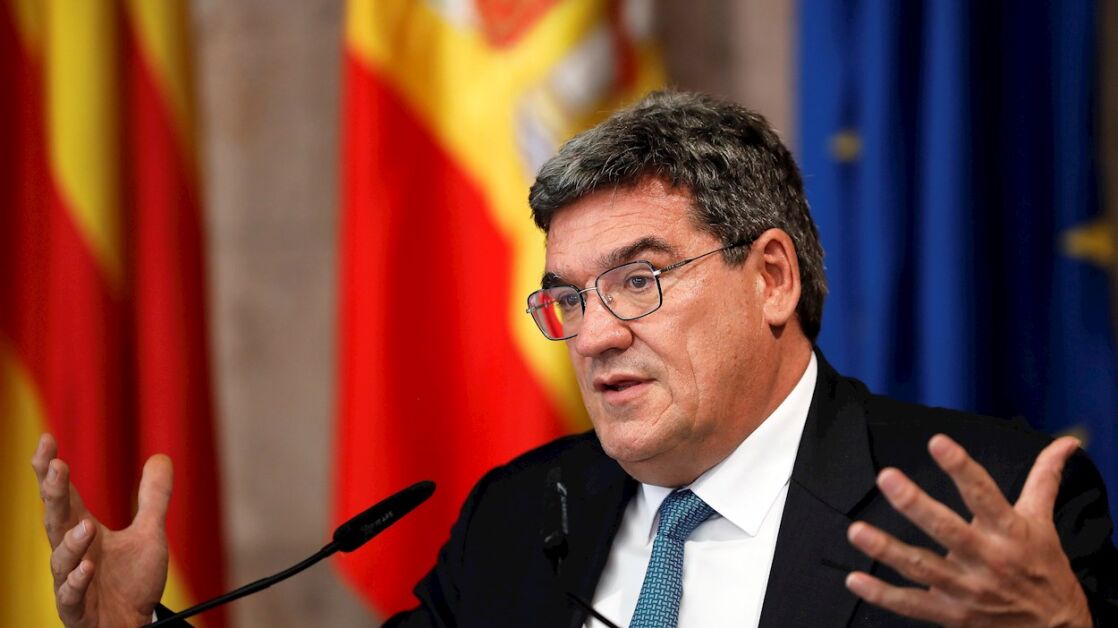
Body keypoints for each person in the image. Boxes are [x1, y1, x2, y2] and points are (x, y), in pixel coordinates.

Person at [33, 91, 1118, 627]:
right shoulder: (519, 516)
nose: (592, 334)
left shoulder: (983, 510)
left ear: (771, 278)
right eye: (566, 298)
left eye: (637, 280)